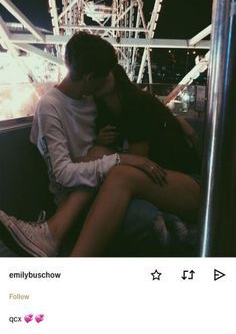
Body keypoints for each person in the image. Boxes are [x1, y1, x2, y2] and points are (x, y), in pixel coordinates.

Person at [0, 32, 200, 257]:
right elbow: (71, 171)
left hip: (175, 186)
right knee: (108, 164)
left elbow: (145, 110)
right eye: (104, 75)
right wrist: (119, 157)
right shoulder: (81, 103)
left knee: (116, 172)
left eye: (110, 75)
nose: (107, 78)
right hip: (102, 187)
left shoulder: (114, 102)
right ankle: (54, 236)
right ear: (89, 78)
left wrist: (177, 121)